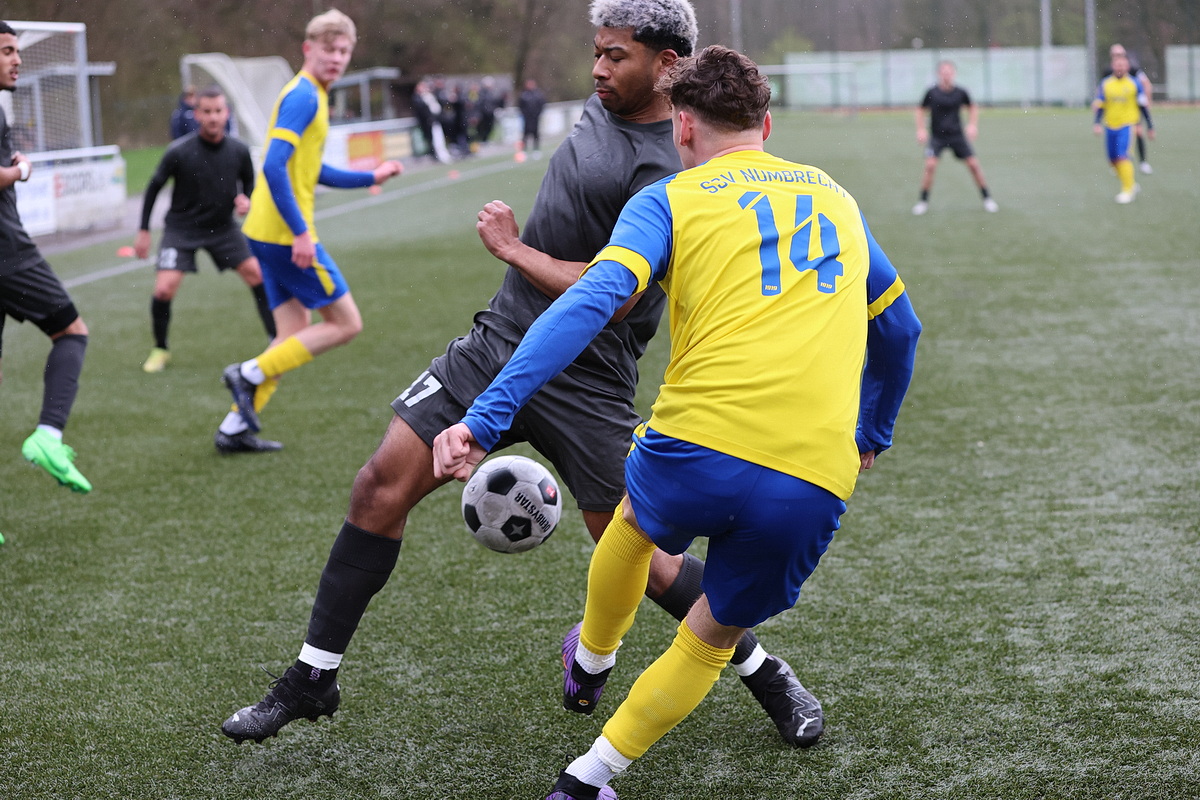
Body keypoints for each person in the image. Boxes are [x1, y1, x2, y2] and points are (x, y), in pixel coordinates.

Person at [220, 0, 825, 753]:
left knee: (643, 556)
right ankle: (313, 677)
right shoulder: (604, 101)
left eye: (616, 55)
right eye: (597, 50)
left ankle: (769, 675)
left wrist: (514, 251)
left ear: (668, 64)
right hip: (500, 342)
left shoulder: (677, 167)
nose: (598, 68)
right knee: (379, 486)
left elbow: (616, 296)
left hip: (590, 378)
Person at [433, 45, 922, 800]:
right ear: (766, 125)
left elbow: (592, 302)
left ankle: (592, 659)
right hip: (812, 475)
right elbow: (899, 329)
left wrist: (484, 417)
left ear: (683, 127)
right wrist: (871, 435)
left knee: (633, 526)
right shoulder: (838, 201)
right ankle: (591, 778)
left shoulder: (669, 198)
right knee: (711, 634)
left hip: (695, 446)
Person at [215, 9, 402, 453]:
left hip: (265, 230)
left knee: (291, 333)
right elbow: (274, 165)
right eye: (329, 49)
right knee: (346, 323)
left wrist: (370, 177)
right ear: (308, 49)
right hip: (284, 235)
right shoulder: (304, 96)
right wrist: (301, 233)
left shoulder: (311, 93)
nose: (336, 58)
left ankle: (234, 428)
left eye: (344, 51)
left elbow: (311, 169)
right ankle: (248, 373)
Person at [0, 21, 92, 493]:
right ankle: (48, 436)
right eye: (6, 51)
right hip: (7, 253)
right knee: (71, 332)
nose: (17, 60)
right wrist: (20, 171)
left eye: (16, 50)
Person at [134, 86, 275, 379]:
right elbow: (153, 187)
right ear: (197, 114)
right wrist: (144, 231)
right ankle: (160, 348)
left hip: (223, 227)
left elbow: (250, 186)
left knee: (257, 275)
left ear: (227, 114)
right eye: (207, 111)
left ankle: (276, 340)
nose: (213, 117)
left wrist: (247, 200)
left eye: (218, 111)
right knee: (163, 289)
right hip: (181, 229)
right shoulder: (178, 151)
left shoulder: (239, 151)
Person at [912, 60, 998, 215]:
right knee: (930, 166)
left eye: (949, 72)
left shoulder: (960, 92)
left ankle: (987, 198)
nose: (946, 75)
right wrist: (921, 129)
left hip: (957, 136)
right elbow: (920, 110)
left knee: (974, 166)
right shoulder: (932, 93)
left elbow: (972, 107)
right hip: (937, 137)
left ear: (954, 74)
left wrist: (972, 125)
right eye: (943, 72)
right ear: (939, 74)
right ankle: (923, 202)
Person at [1093, 51, 1148, 205]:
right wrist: (1096, 123)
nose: (1120, 68)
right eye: (1117, 65)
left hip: (1127, 126)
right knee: (1113, 161)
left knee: (1122, 156)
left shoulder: (1134, 83)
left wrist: (1148, 125)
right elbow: (1101, 105)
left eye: (1122, 65)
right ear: (1113, 66)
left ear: (1127, 67)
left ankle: (1127, 190)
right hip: (1110, 126)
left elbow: (1143, 106)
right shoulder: (1106, 84)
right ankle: (1130, 183)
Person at [1103, 43, 1155, 174]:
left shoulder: (1133, 70)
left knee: (1138, 132)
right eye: (1115, 54)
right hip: (1116, 110)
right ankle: (1120, 163)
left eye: (1120, 54)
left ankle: (1142, 162)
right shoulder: (1108, 71)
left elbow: (1146, 83)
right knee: (1117, 137)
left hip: (1132, 108)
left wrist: (1148, 100)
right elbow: (1102, 89)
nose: (1117, 56)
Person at [518, 78, 547, 153]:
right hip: (527, 118)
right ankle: (524, 149)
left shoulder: (538, 94)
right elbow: (521, 106)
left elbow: (542, 104)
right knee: (525, 133)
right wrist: (525, 114)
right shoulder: (524, 95)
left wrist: (537, 113)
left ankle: (536, 149)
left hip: (535, 117)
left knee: (536, 133)